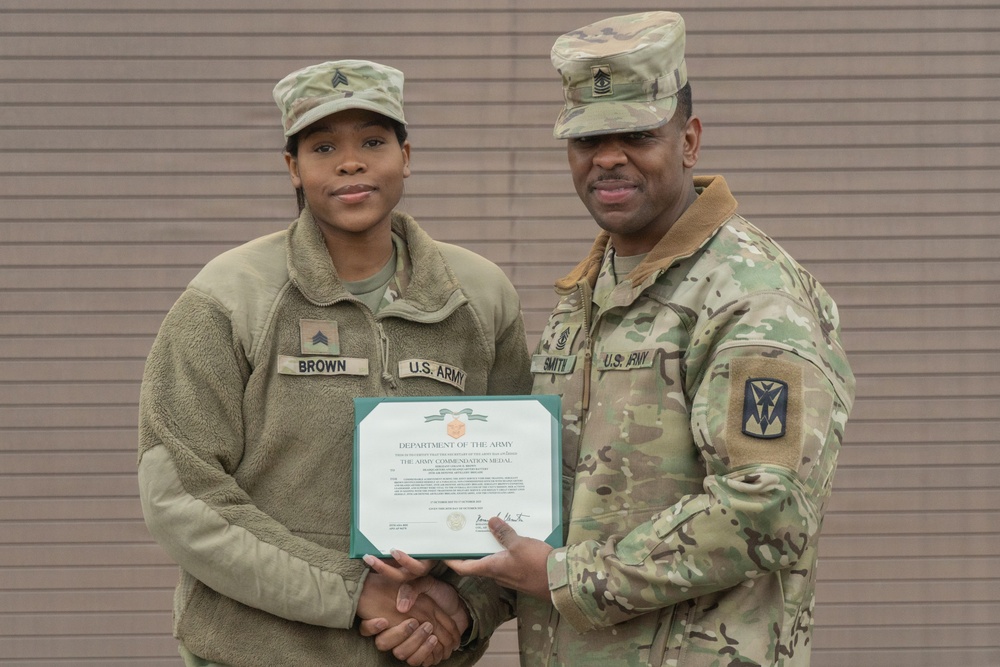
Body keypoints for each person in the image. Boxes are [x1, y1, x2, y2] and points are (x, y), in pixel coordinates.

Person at [441, 11, 856, 666]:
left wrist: (568, 576)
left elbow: (766, 508)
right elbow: (544, 499)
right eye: (587, 137)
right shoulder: (587, 298)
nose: (608, 157)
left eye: (636, 133)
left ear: (688, 140)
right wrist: (458, 592)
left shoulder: (752, 298)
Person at [137, 59, 529, 667]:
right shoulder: (230, 295)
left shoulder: (477, 296)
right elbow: (181, 492)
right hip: (254, 653)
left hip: (413, 654)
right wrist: (352, 591)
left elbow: (521, 486)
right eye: (324, 146)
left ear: (406, 154)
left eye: (373, 141)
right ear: (293, 167)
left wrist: (461, 611)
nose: (351, 162)